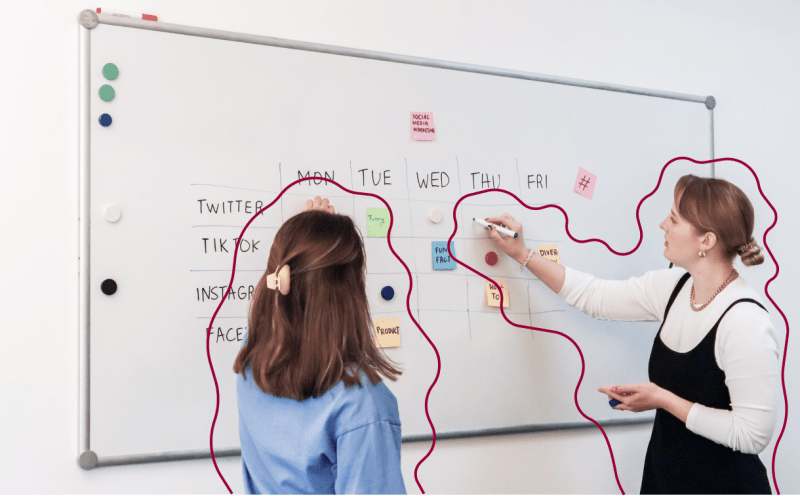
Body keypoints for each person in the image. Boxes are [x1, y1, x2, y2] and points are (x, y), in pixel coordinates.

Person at [484, 174, 779, 494]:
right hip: (665, 478)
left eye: (674, 219)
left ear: (705, 241)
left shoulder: (745, 322)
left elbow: (751, 435)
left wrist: (663, 399)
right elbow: (593, 296)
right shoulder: (676, 287)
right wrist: (520, 253)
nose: (662, 225)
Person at [233, 196, 406, 495]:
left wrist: (306, 238)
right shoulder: (360, 402)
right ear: (348, 292)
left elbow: (283, 294)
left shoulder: (253, 362)